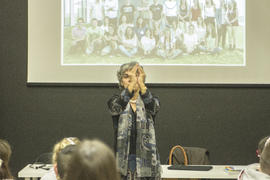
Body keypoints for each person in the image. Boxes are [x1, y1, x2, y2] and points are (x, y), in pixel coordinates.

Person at [107, 62, 161, 180]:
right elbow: (117, 107)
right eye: (127, 77)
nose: (133, 80)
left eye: (136, 75)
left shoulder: (151, 100)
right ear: (121, 82)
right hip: (123, 162)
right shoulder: (115, 101)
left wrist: (141, 85)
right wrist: (133, 82)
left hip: (146, 162)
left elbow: (153, 107)